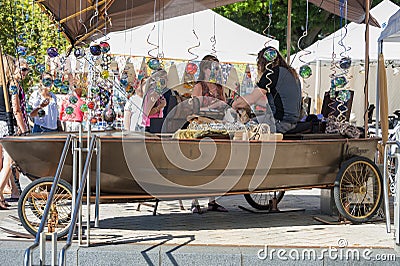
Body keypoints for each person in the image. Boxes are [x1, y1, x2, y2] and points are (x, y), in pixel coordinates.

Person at [233, 46, 302, 133]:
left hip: (280, 124)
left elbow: (252, 98)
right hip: (292, 123)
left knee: (242, 128)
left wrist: (235, 104)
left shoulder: (271, 73)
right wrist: (253, 102)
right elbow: (281, 103)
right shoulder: (291, 73)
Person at [191, 55, 228, 213]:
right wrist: (212, 107)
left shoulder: (219, 88)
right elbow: (194, 109)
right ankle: (194, 201)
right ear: (205, 69)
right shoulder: (199, 86)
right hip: (203, 127)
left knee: (216, 165)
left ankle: (212, 200)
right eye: (212, 67)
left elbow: (226, 106)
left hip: (218, 128)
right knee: (199, 165)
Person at [0, 57, 30, 209]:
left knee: (1, 161)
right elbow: (16, 110)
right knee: (9, 161)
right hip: (6, 123)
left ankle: (2, 196)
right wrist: (25, 130)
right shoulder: (12, 85)